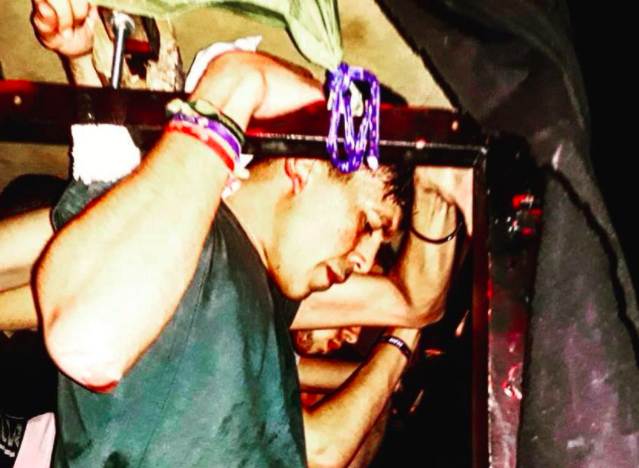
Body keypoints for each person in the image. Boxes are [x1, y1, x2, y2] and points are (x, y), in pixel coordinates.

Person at [15, 2, 473, 467]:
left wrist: (435, 182)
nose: (366, 258)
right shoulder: (183, 232)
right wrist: (238, 82)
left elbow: (416, 301)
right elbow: (87, 343)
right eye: (368, 225)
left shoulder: (273, 297)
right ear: (305, 166)